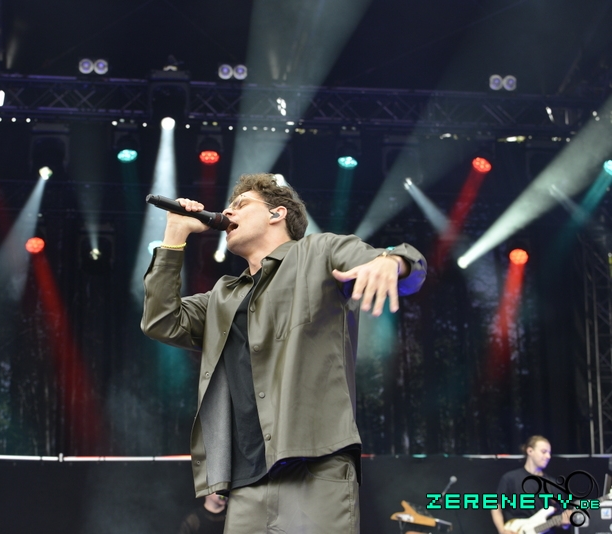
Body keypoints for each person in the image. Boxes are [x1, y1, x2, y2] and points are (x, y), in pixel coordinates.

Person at [142, 173, 427, 533]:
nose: (228, 212)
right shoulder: (223, 296)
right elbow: (161, 321)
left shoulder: (319, 251)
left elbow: (401, 264)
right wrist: (174, 235)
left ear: (277, 214)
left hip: (315, 464)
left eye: (241, 204)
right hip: (245, 480)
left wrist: (391, 261)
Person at [491, 435, 573, 534]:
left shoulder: (554, 485)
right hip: (516, 529)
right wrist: (502, 531)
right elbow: (496, 507)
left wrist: (564, 522)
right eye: (544, 452)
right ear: (530, 451)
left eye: (549, 453)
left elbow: (560, 519)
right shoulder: (510, 478)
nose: (548, 456)